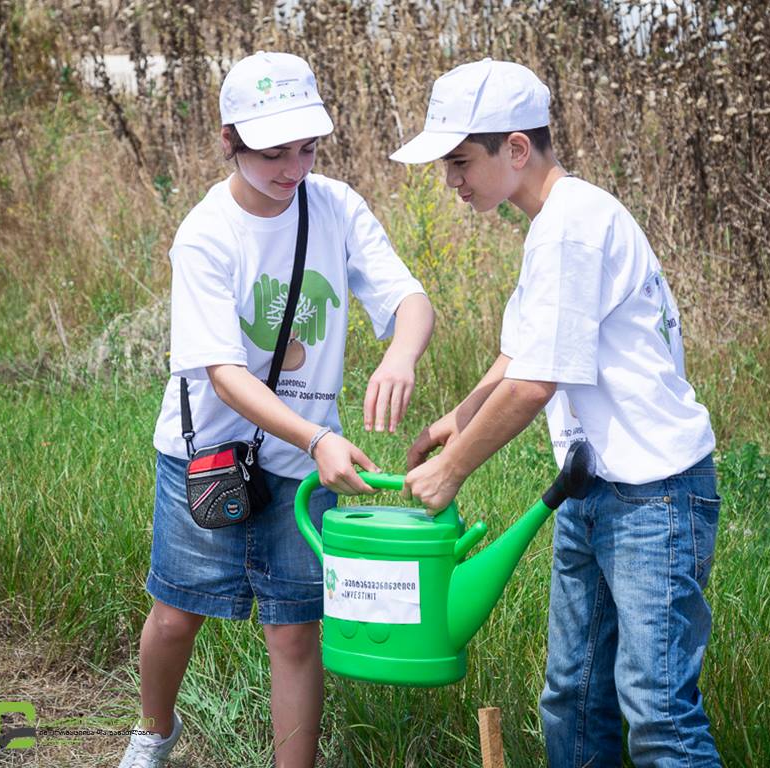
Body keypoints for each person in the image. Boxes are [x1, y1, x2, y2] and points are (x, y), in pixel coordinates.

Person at [392, 58, 721, 767]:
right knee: (572, 699)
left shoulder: (572, 227)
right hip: (589, 492)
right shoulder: (555, 223)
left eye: (460, 161)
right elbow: (521, 355)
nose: (450, 181)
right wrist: (457, 418)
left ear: (516, 148)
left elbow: (535, 384)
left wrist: (452, 469)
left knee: (658, 712)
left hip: (654, 498)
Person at [118, 51, 434, 768]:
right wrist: (319, 436)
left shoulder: (336, 207)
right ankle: (154, 732)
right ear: (229, 141)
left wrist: (400, 354)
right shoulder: (206, 233)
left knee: (294, 630)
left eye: (307, 149)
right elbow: (225, 376)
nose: (293, 169)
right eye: (273, 154)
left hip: (304, 462)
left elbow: (409, 300)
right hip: (206, 454)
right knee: (177, 612)